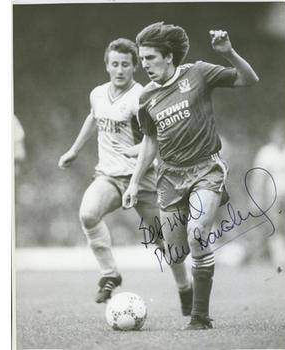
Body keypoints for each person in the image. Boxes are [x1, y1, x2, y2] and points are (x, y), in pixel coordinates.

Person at [122, 22, 259, 330]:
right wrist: (133, 182)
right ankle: (185, 288)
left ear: (169, 56)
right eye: (142, 60)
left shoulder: (198, 73)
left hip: (205, 170)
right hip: (169, 177)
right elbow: (150, 141)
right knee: (174, 252)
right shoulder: (145, 98)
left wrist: (229, 53)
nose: (144, 66)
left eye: (150, 58)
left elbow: (249, 79)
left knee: (198, 233)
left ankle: (200, 316)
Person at [58, 38, 191, 312]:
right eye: (114, 64)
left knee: (166, 243)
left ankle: (185, 289)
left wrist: (138, 153)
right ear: (107, 66)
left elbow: (158, 137)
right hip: (109, 176)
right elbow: (94, 116)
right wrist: (74, 150)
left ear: (134, 67)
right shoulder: (97, 93)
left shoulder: (142, 97)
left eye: (126, 65)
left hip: (143, 179)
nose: (119, 70)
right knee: (88, 214)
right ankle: (110, 274)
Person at [251, 120, 285, 266]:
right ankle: (281, 258)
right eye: (276, 135)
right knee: (277, 225)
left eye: (282, 135)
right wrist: (256, 197)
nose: (279, 138)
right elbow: (259, 177)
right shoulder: (266, 152)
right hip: (274, 195)